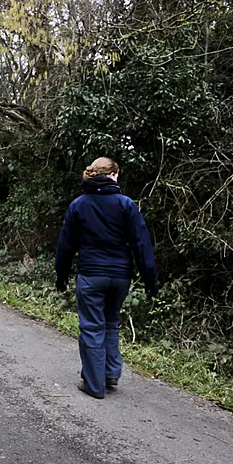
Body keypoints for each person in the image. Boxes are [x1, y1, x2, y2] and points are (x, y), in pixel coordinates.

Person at [55, 157, 158, 399]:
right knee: (110, 323)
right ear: (112, 175)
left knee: (91, 326)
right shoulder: (126, 204)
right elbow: (141, 244)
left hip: (91, 273)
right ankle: (111, 373)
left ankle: (93, 384)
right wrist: (150, 278)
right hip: (120, 275)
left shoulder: (79, 205)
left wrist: (62, 274)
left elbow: (66, 244)